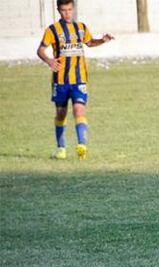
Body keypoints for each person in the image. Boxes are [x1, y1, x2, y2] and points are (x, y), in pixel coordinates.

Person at [36, 0, 114, 160]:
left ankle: (82, 146)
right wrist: (49, 61)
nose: (67, 13)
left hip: (79, 79)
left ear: (73, 9)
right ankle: (61, 149)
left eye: (70, 10)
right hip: (60, 80)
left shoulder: (81, 27)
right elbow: (40, 49)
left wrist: (103, 40)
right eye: (64, 10)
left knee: (79, 109)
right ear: (58, 10)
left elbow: (90, 43)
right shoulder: (52, 30)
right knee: (61, 114)